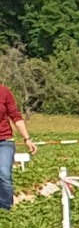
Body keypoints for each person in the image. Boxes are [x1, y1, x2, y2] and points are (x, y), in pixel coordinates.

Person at [0, 80, 33, 213]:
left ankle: (6, 210)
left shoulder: (4, 92)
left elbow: (15, 116)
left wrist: (27, 138)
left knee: (3, 173)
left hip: (4, 141)